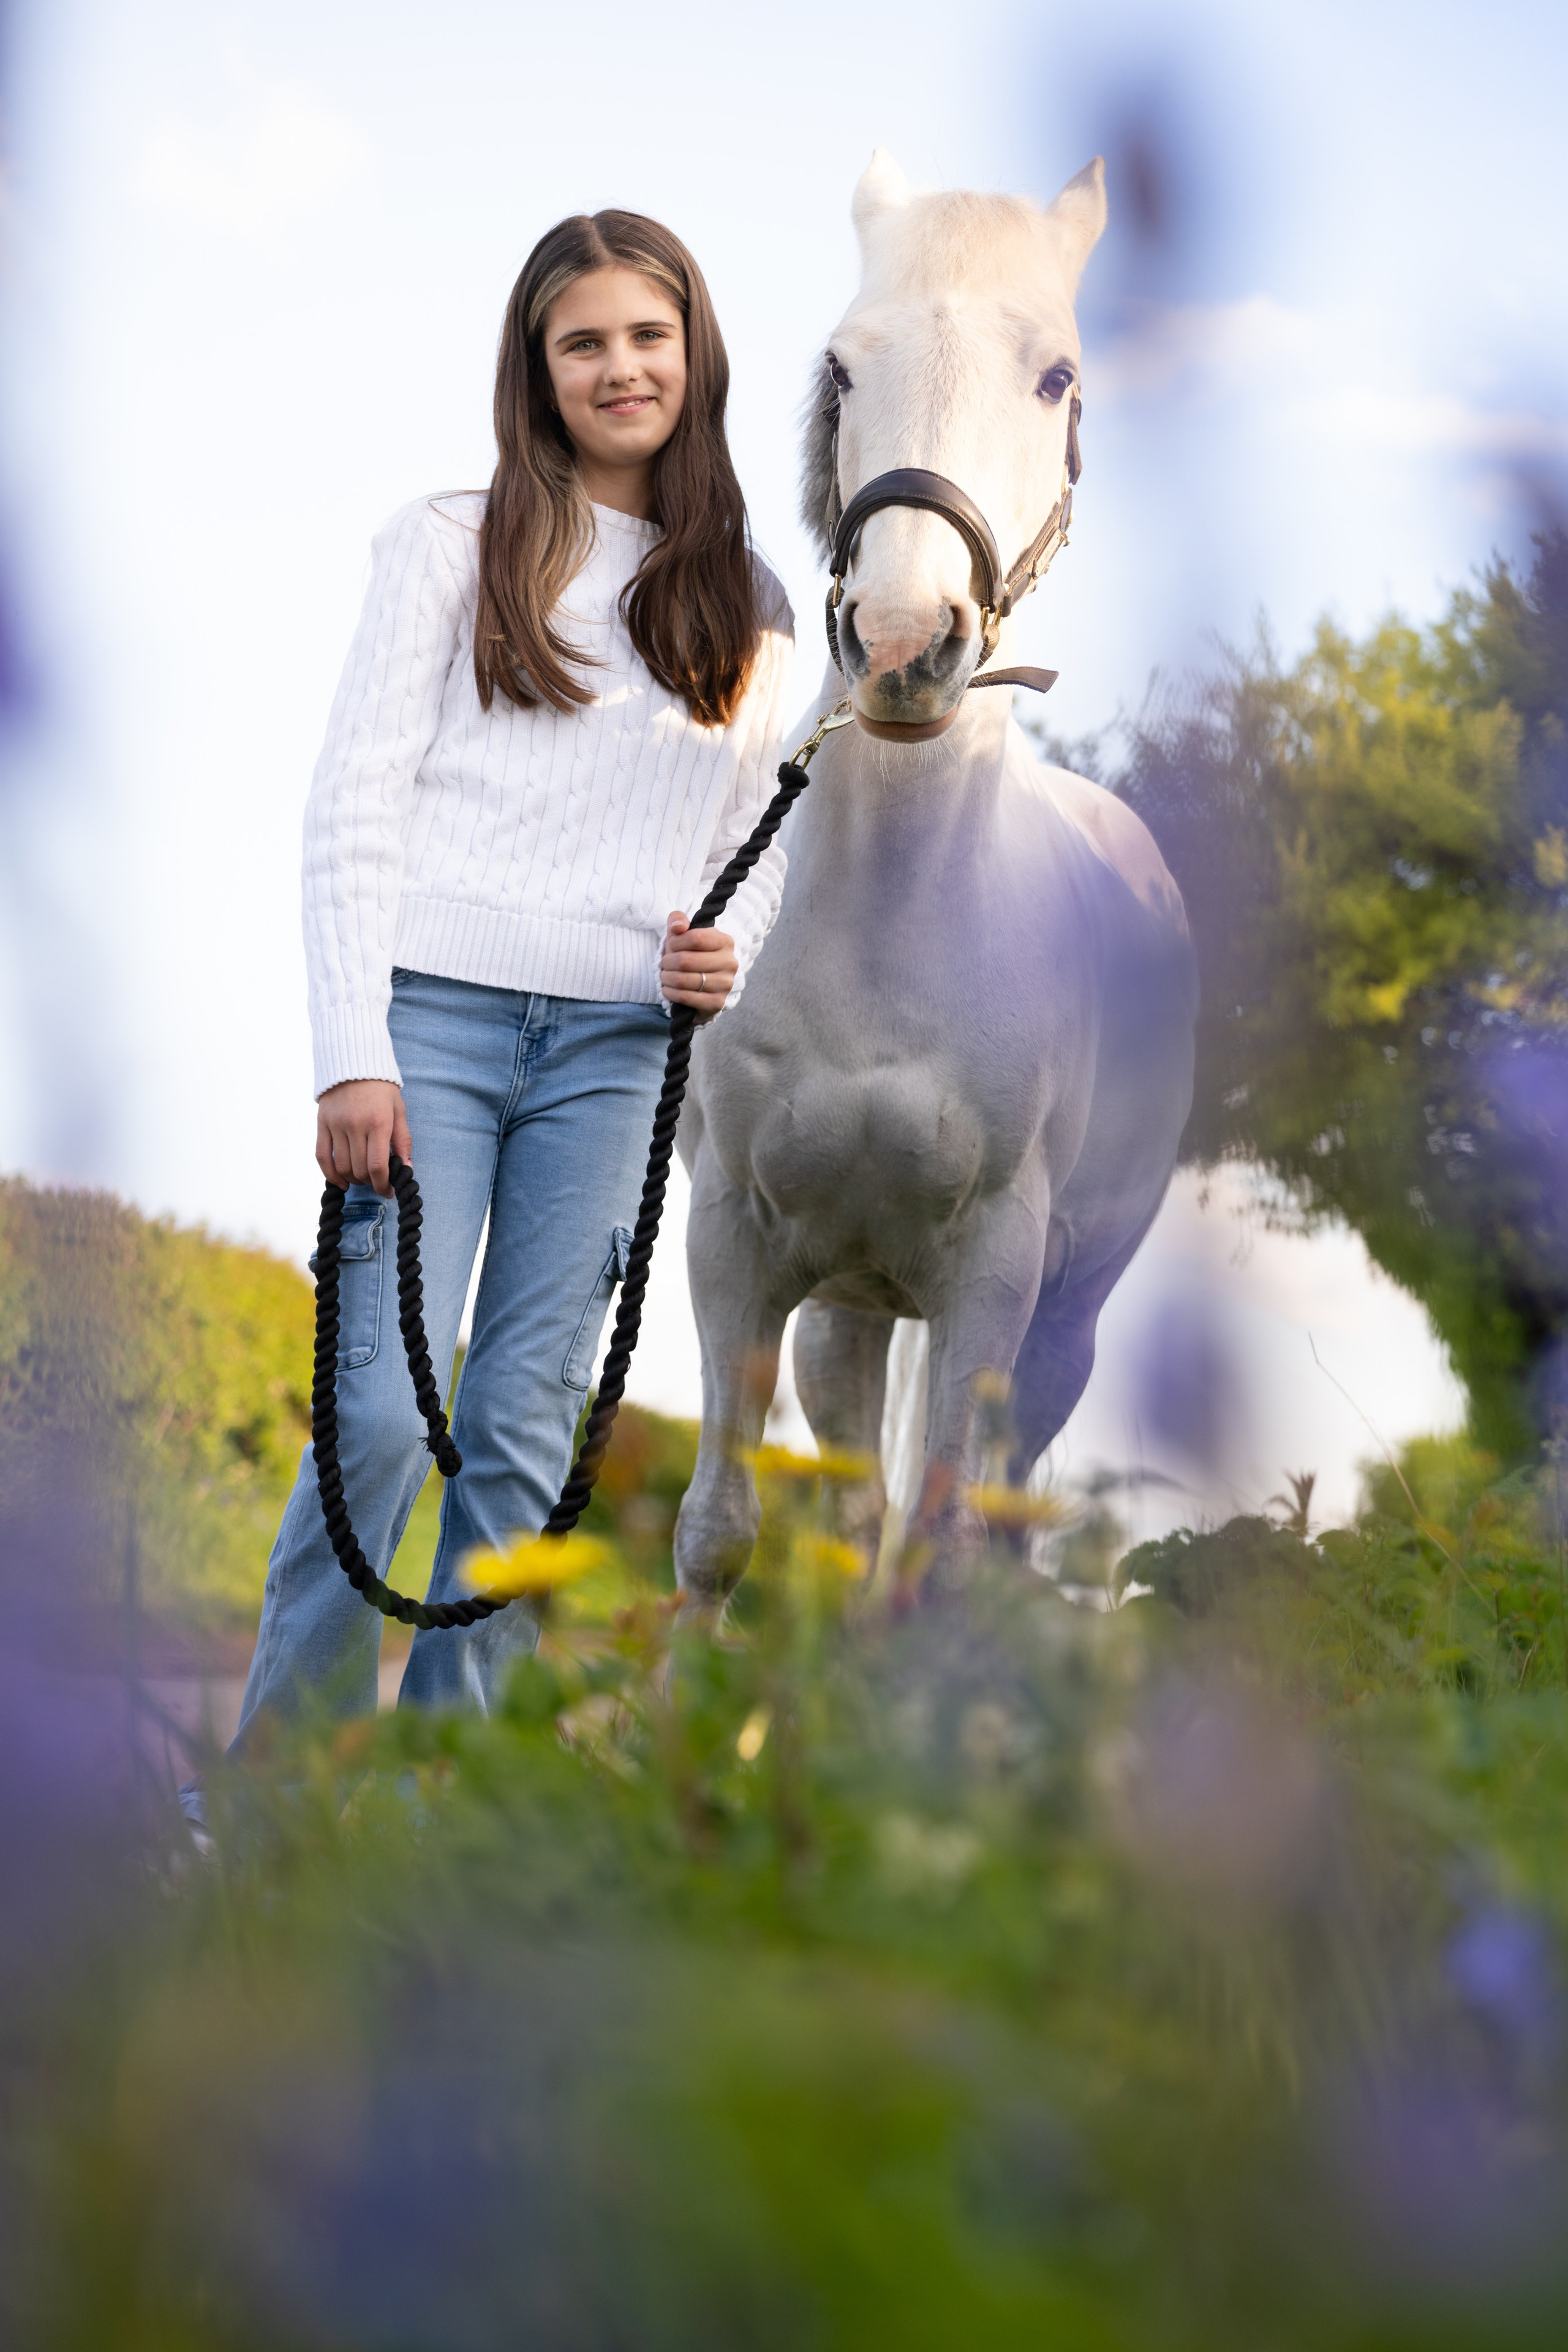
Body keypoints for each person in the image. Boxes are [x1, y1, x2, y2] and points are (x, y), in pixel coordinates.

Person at [206, 209, 793, 1772]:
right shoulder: (446, 542)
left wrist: (725, 961)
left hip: (614, 1057)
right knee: (385, 1425)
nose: (619, 368)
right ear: (536, 372)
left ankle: (449, 1839)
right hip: (431, 1031)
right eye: (582, 341)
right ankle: (276, 1823)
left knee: (526, 1455)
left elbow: (752, 844)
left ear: (694, 353)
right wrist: (351, 1053)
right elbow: (354, 800)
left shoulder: (755, 603)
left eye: (646, 337)